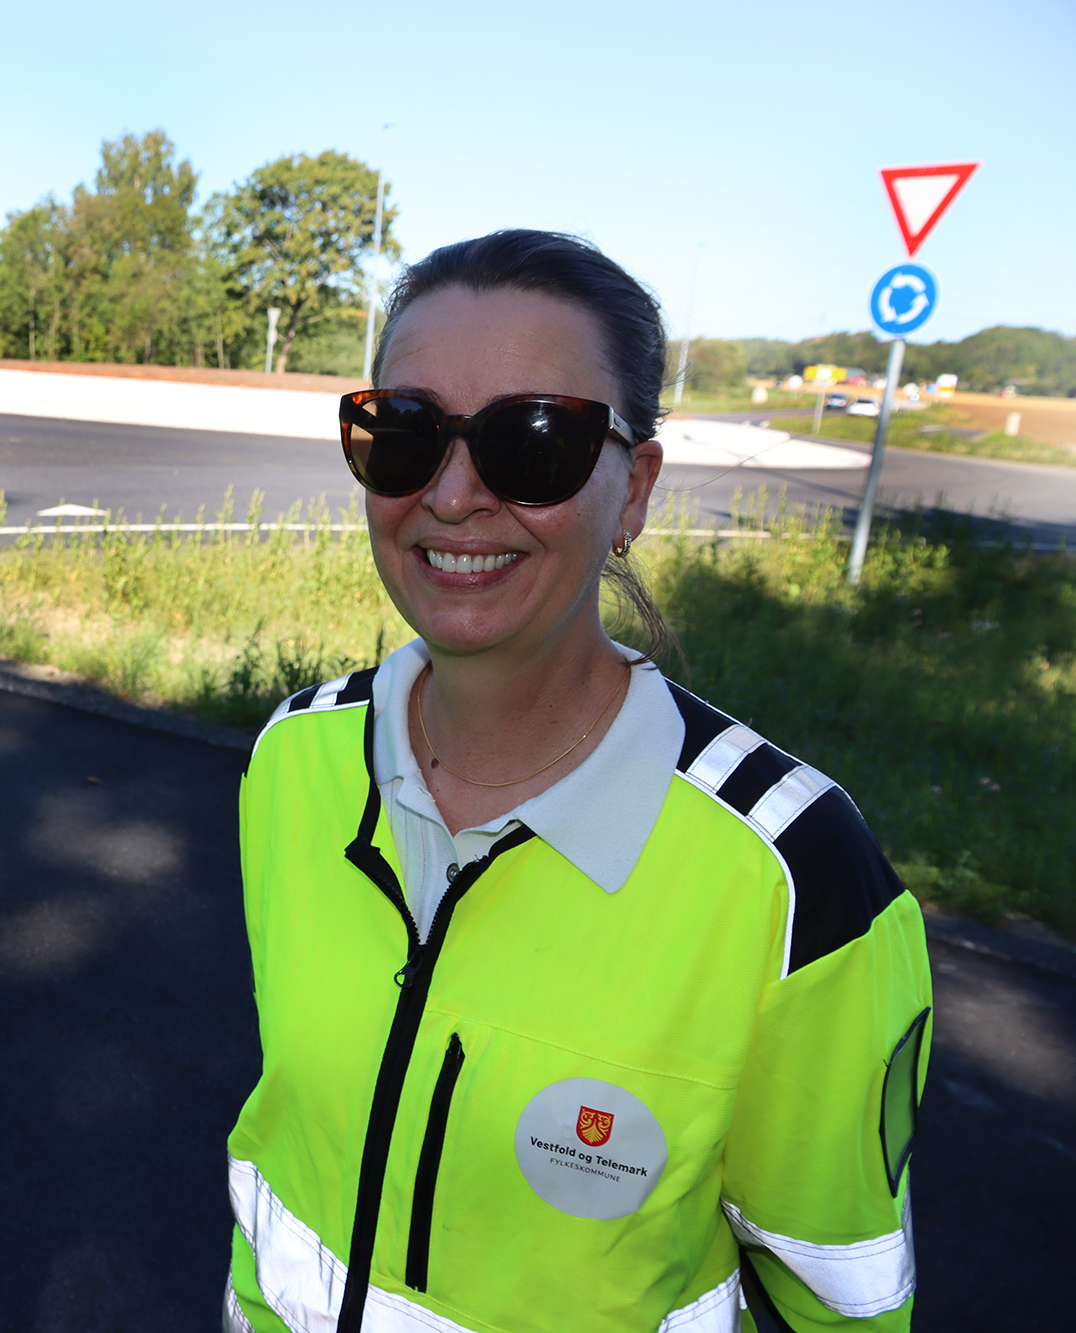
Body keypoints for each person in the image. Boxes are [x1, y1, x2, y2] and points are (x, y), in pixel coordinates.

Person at [223, 231, 930, 1333]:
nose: (452, 496)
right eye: (402, 432)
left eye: (533, 441)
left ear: (634, 489)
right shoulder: (291, 761)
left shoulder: (795, 880)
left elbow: (837, 1304)